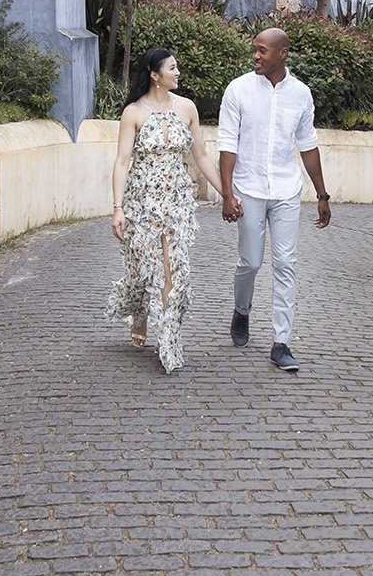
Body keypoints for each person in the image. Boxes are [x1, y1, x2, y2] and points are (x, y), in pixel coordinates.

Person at [217, 27, 331, 373]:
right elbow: (227, 144)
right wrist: (227, 193)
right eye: (254, 49)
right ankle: (242, 310)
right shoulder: (238, 90)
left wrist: (322, 194)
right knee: (250, 263)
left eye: (262, 51)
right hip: (248, 188)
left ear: (282, 54)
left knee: (285, 265)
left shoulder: (301, 94)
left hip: (285, 191)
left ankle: (281, 343)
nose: (256, 56)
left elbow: (307, 145)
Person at [105, 47, 226, 373]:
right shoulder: (133, 113)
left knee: (175, 269)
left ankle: (169, 337)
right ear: (155, 75)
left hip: (177, 204)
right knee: (144, 267)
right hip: (142, 203)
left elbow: (201, 157)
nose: (178, 73)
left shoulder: (187, 108)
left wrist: (227, 193)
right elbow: (122, 162)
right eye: (172, 68)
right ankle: (141, 313)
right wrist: (118, 209)